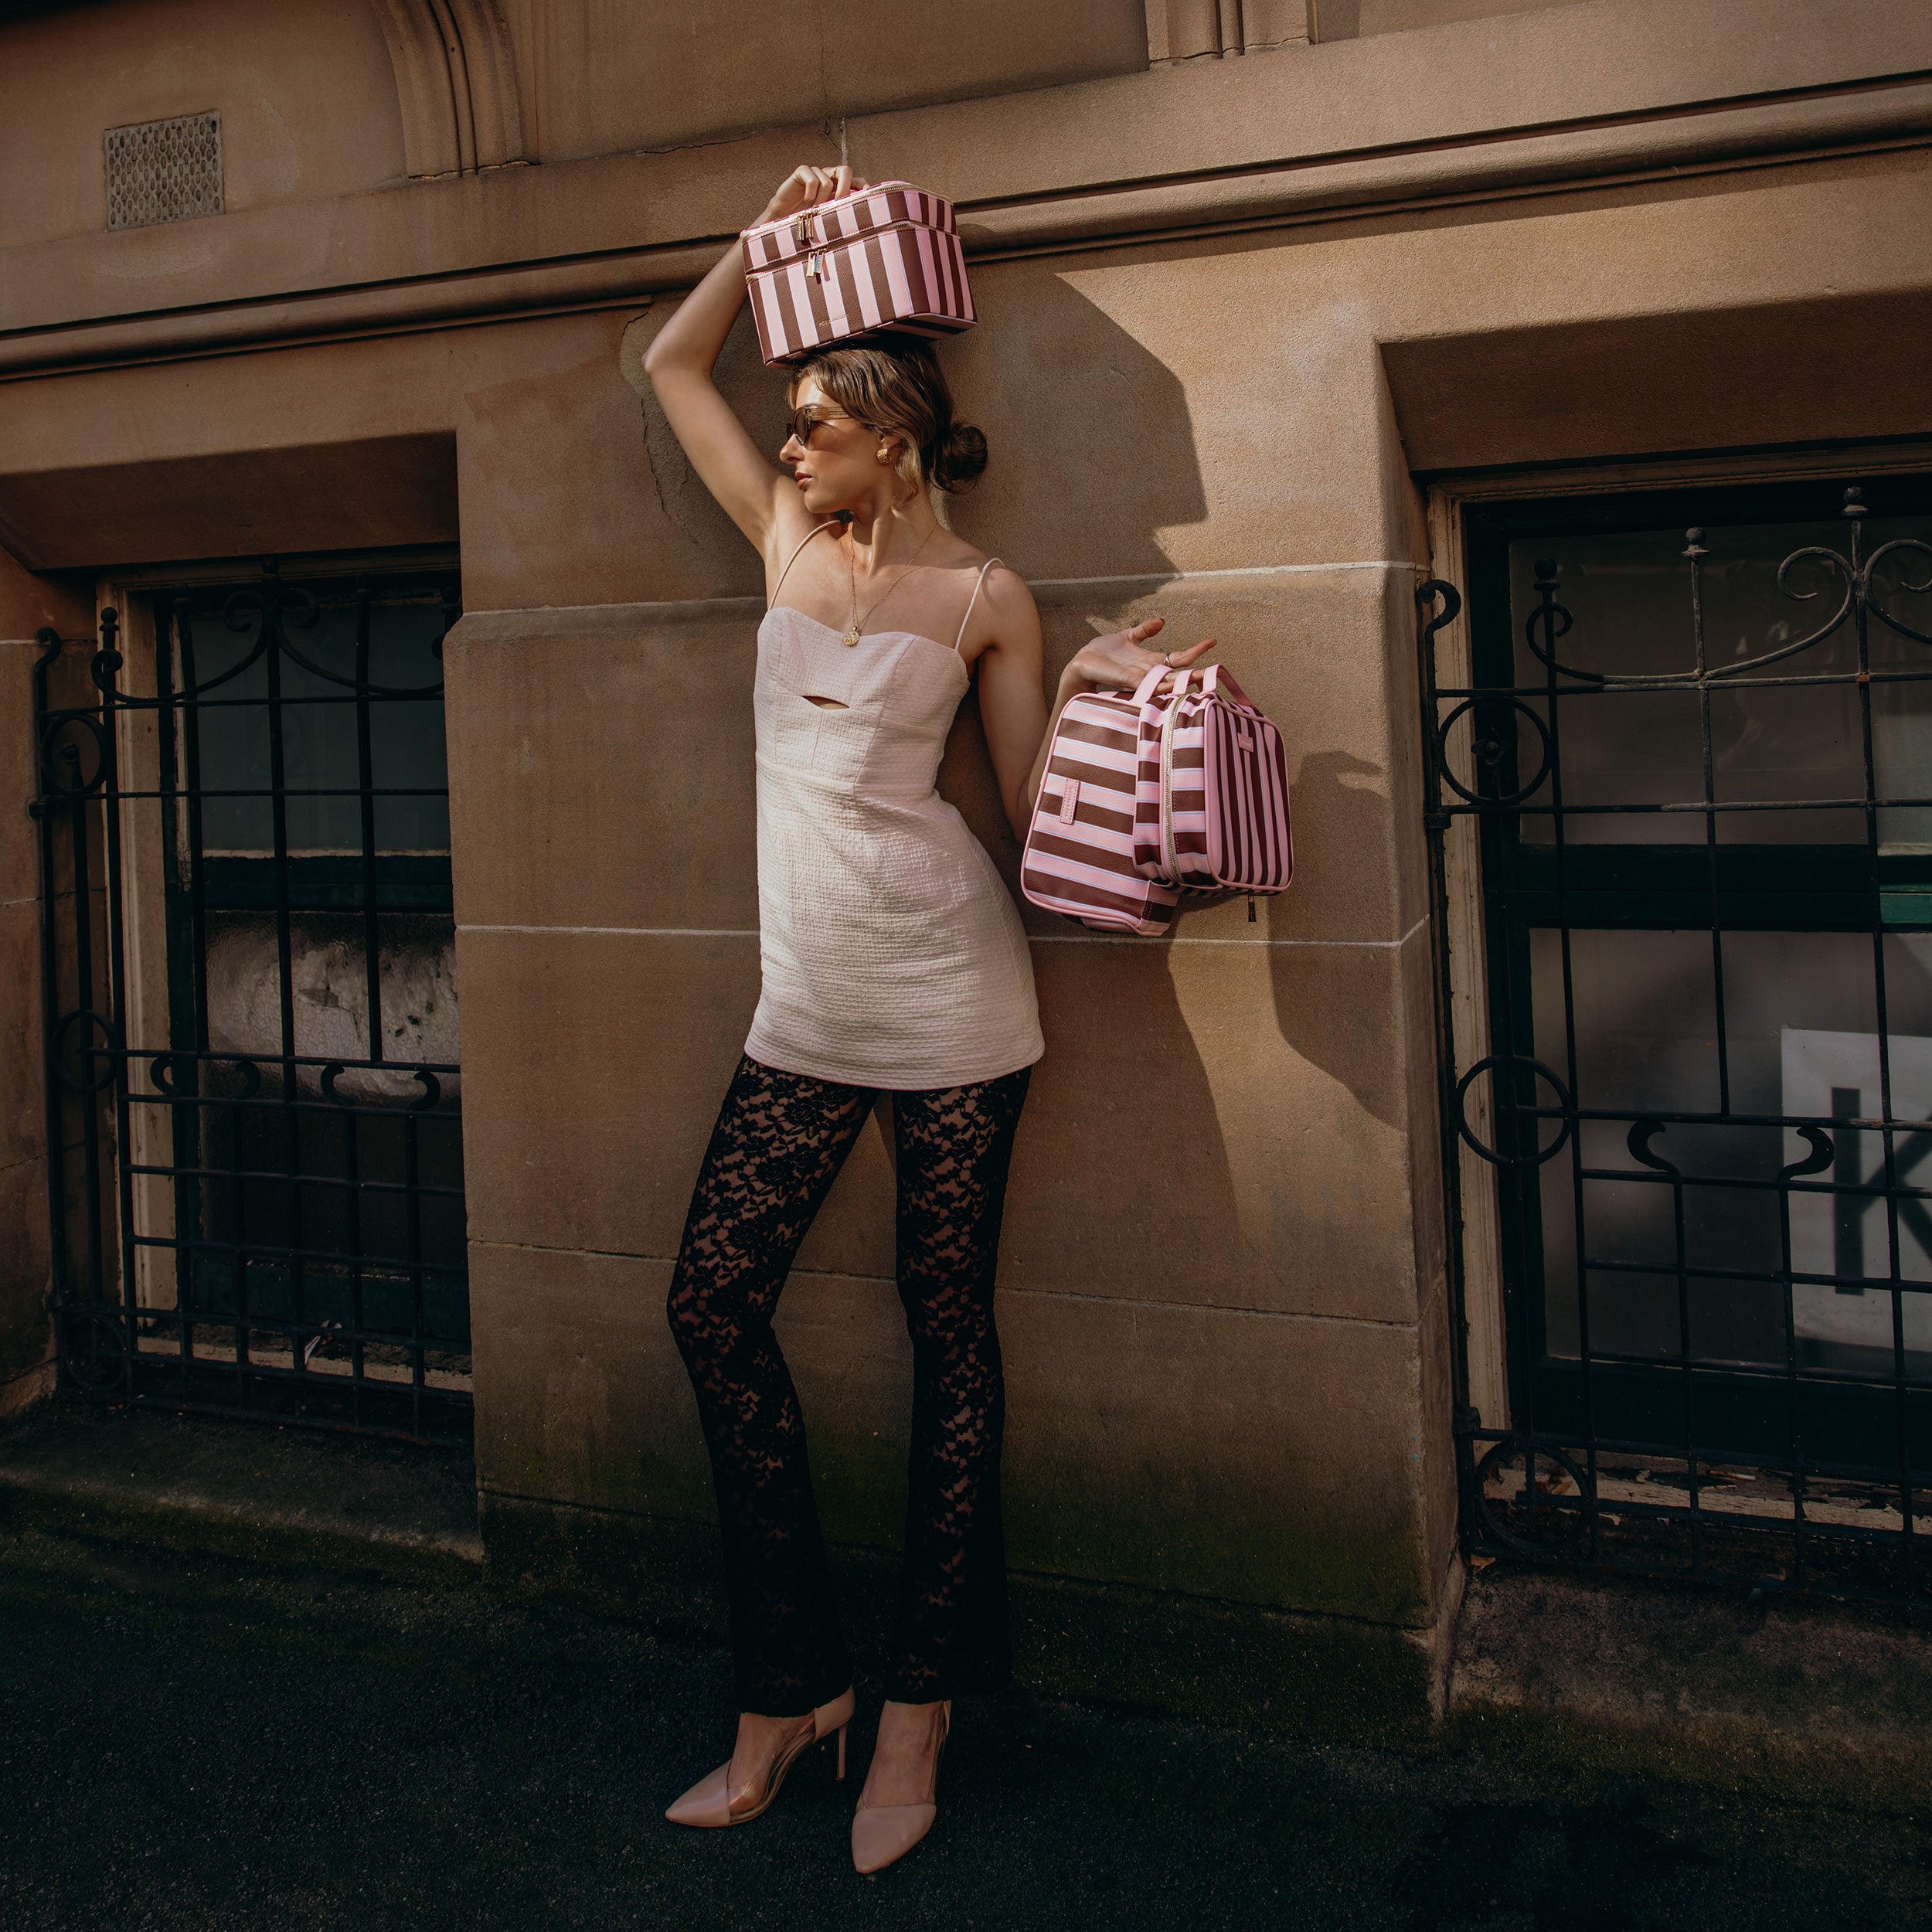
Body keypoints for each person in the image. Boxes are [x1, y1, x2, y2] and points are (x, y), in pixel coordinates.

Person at [643, 163, 1211, 1873]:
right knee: (708, 1303)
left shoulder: (987, 599)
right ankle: (784, 1686)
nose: (791, 437)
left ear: (893, 437)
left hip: (958, 994)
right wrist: (771, 245)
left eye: (816, 419)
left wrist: (1112, 694)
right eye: (793, 420)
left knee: (946, 1332)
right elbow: (666, 370)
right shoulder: (777, 537)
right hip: (803, 1005)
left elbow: (1031, 812)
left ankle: (917, 1705)